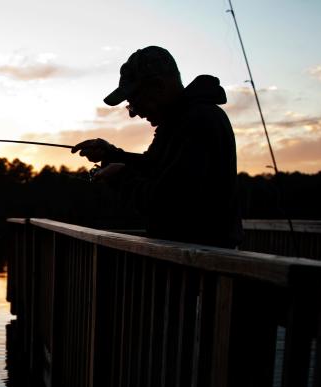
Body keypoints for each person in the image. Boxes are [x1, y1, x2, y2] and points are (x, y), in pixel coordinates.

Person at [72, 46, 241, 248]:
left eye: (134, 101)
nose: (133, 113)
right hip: (188, 258)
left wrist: (121, 177)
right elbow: (154, 165)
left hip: (201, 264)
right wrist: (110, 154)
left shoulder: (198, 121)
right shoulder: (179, 121)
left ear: (159, 86)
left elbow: (168, 202)